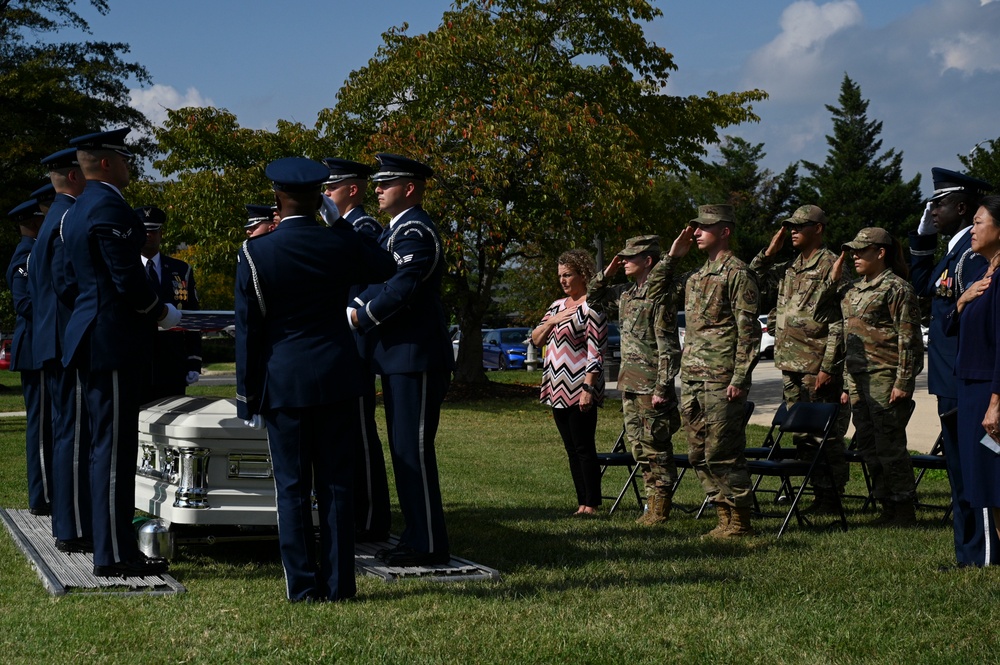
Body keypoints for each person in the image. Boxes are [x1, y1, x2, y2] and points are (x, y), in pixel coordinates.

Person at [235, 157, 396, 602]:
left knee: (291, 488)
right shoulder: (339, 244)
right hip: (337, 378)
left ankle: (302, 587)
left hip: (284, 381)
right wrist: (340, 224)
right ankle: (340, 585)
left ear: (277, 199)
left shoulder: (255, 252)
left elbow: (249, 330)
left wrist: (247, 397)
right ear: (320, 198)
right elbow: (385, 265)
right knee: (337, 487)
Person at [61, 127, 181, 577]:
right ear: (107, 162)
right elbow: (127, 280)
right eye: (125, 157)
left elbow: (73, 282)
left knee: (102, 446)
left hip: (93, 335)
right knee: (113, 448)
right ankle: (114, 554)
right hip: (111, 341)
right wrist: (161, 312)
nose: (132, 164)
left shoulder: (76, 210)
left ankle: (111, 544)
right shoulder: (109, 207)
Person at [350, 153, 454, 566]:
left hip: (416, 356)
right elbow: (375, 279)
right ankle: (416, 535)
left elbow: (401, 287)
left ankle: (427, 543)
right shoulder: (395, 231)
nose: (376, 189)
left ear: (409, 188)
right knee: (403, 449)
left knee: (412, 450)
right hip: (399, 358)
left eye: (385, 183)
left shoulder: (414, 230)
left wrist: (360, 316)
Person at [910, 168, 997, 567]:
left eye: (939, 204)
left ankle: (978, 554)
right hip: (952, 377)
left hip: (968, 379)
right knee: (960, 472)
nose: (933, 210)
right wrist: (924, 236)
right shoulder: (956, 251)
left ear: (962, 207)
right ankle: (968, 552)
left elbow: (981, 321)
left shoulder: (974, 257)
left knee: (972, 472)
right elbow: (925, 283)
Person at [749, 205, 850, 512]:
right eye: (789, 227)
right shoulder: (791, 266)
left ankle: (831, 496)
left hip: (816, 366)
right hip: (790, 364)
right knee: (802, 434)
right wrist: (769, 251)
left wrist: (829, 367)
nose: (792, 231)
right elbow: (752, 276)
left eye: (799, 226)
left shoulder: (831, 264)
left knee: (825, 436)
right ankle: (815, 493)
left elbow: (840, 322)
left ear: (818, 228)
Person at [671, 205, 761, 538]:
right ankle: (722, 515)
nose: (695, 232)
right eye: (695, 227)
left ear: (725, 231)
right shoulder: (695, 277)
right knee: (697, 453)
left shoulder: (737, 273)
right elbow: (655, 293)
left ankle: (740, 521)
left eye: (704, 227)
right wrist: (673, 257)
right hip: (694, 376)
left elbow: (749, 331)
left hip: (721, 378)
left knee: (722, 451)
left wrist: (740, 378)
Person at [587, 236, 683, 524]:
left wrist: (663, 387)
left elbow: (668, 348)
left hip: (651, 385)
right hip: (630, 384)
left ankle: (660, 506)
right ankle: (650, 504)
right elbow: (593, 298)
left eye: (631, 257)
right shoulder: (627, 294)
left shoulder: (659, 297)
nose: (624, 261)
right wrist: (608, 272)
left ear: (648, 261)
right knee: (638, 447)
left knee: (656, 446)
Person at [833, 227, 923, 526]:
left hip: (885, 376)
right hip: (858, 380)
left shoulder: (897, 288)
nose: (854, 256)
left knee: (890, 447)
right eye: (852, 251)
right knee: (869, 447)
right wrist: (847, 383)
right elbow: (847, 336)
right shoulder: (854, 290)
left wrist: (903, 382)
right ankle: (886, 504)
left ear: (880, 252)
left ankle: (904, 507)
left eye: (861, 250)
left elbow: (909, 340)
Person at [322, 157, 392, 541]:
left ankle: (369, 518)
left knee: (361, 434)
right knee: (348, 432)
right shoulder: (344, 227)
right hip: (343, 344)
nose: (325, 196)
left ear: (351, 190)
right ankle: (357, 514)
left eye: (331, 189)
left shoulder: (361, 227)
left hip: (355, 344)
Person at [29, 147, 93, 552]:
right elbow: (69, 283)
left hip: (52, 338)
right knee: (73, 434)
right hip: (66, 339)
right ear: (74, 176)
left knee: (66, 432)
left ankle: (69, 524)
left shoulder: (52, 218)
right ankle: (72, 528)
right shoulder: (67, 219)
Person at [532, 249, 607, 517]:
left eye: (568, 275)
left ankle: (592, 504)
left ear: (582, 274)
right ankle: (581, 503)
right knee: (571, 449)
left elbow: (596, 350)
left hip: (579, 387)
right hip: (556, 387)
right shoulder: (556, 306)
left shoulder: (592, 306)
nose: (563, 280)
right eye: (560, 276)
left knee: (584, 447)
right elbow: (536, 339)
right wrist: (552, 320)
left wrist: (588, 387)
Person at [948, 195, 1000, 550]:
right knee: (983, 480)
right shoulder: (984, 273)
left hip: (988, 391)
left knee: (993, 479)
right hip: (970, 389)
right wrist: (961, 301)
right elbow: (961, 328)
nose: (972, 230)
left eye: (979, 222)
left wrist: (995, 402)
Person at [6, 199, 52, 517]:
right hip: (36, 350)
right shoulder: (26, 255)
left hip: (44, 348)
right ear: (35, 223)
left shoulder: (36, 251)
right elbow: (25, 305)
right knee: (40, 428)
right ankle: (41, 495)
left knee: (51, 424)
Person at [135, 205, 202, 403]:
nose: (149, 235)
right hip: (137, 360)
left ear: (161, 233)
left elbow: (192, 316)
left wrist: (193, 360)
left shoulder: (180, 269)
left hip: (171, 361)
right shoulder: (126, 268)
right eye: (145, 231)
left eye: (154, 230)